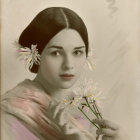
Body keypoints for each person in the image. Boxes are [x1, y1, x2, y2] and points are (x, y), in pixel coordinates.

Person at [1, 7, 127, 140]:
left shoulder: (87, 111)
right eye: (56, 53)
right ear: (36, 55)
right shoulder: (11, 114)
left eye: (77, 52)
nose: (69, 64)